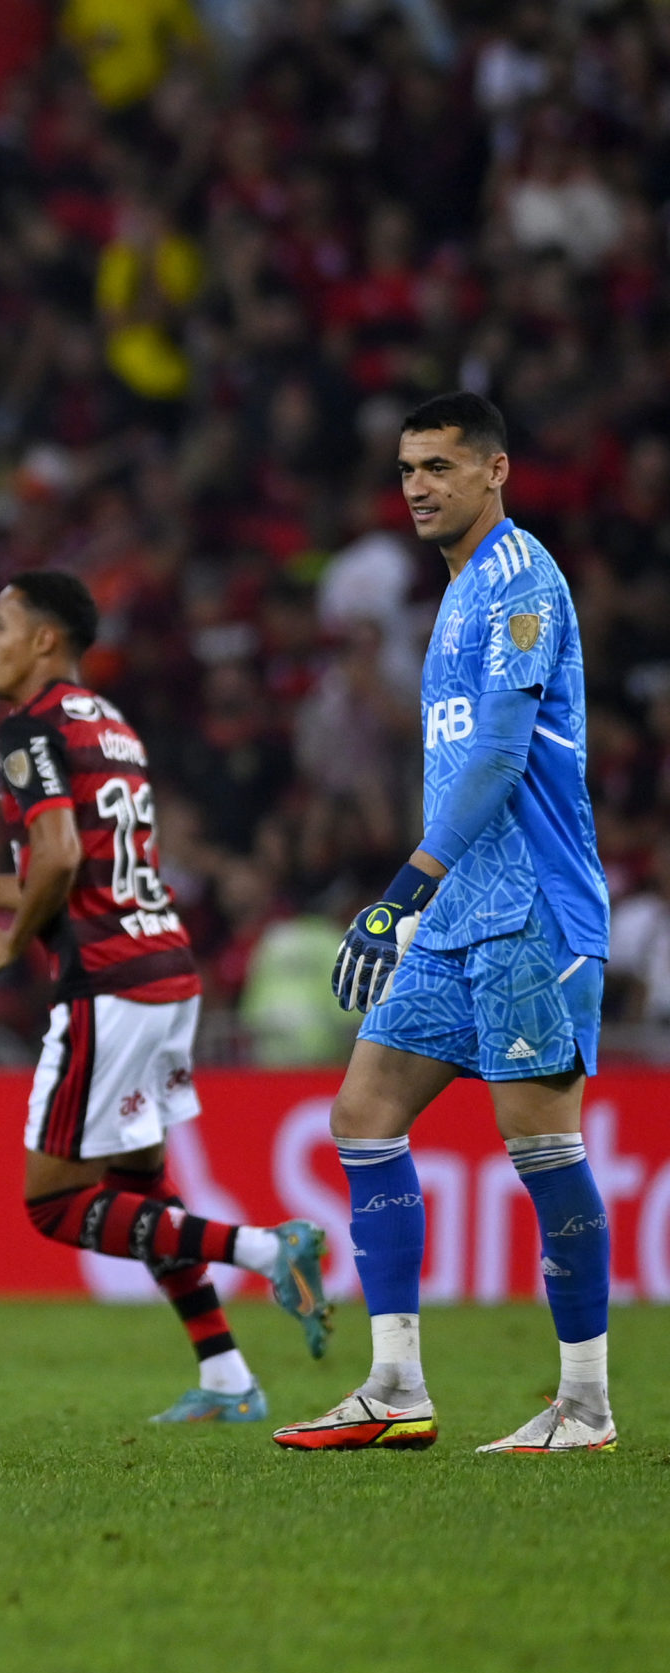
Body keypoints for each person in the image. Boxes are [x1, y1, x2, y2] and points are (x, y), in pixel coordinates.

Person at [0, 570, 331, 1424]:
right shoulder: (115, 727)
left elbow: (54, 861)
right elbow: (71, 866)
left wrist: (11, 942)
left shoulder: (29, 726)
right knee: (142, 1187)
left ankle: (271, 1247)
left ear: (44, 640)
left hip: (109, 985)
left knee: (55, 1201)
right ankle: (229, 1377)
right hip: (166, 969)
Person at [278, 393, 618, 1455]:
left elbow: (503, 756)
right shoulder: (459, 593)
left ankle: (585, 1402)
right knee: (363, 1112)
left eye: (438, 465)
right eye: (406, 469)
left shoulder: (521, 579)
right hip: (460, 915)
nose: (418, 485)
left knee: (540, 1141)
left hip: (529, 909)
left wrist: (402, 890)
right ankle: (393, 1384)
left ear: (495, 470)